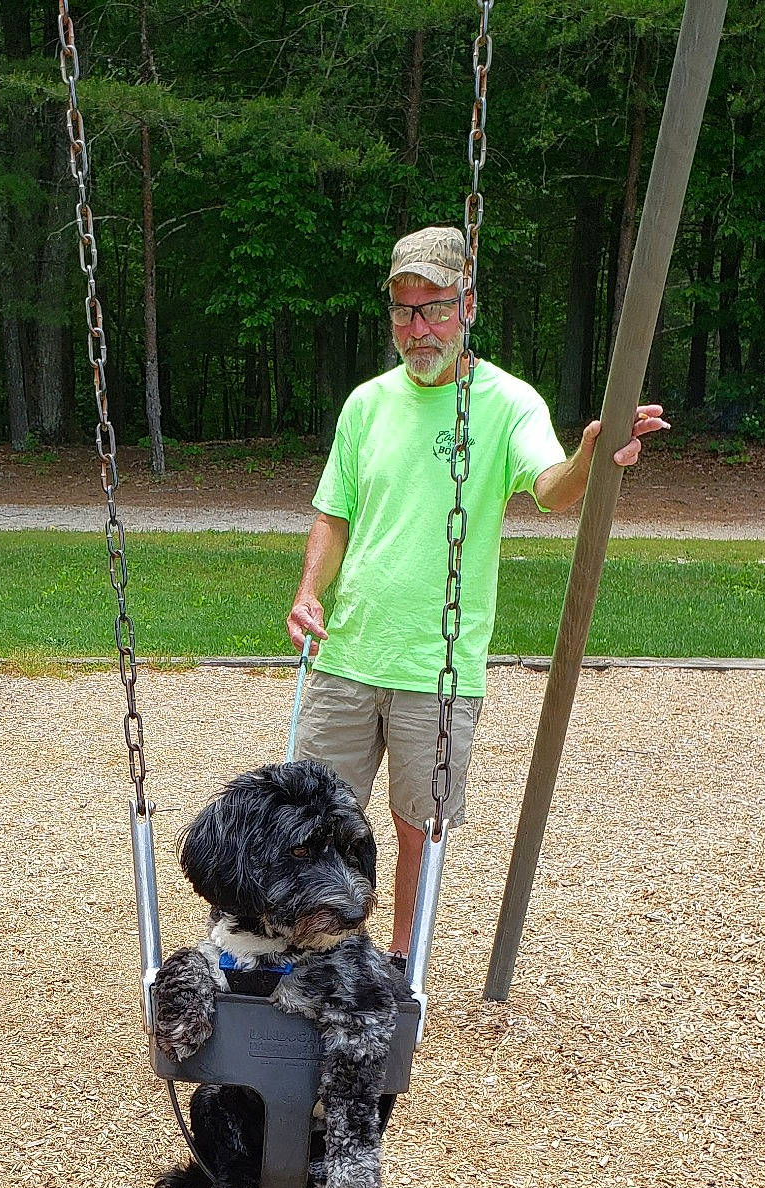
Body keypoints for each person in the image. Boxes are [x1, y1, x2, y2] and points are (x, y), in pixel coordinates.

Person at [286, 224, 668, 958]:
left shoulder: (507, 402)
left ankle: (401, 965)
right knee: (311, 823)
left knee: (417, 828)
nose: (418, 329)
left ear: (467, 307)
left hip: (439, 667)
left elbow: (551, 489)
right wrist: (309, 591)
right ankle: (313, 958)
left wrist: (591, 456)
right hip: (346, 655)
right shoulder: (367, 403)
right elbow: (334, 514)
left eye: (434, 309)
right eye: (404, 311)